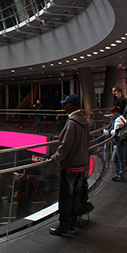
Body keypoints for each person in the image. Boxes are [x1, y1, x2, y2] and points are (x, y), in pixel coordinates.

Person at [49, 94, 89, 236]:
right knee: (75, 197)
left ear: (71, 105)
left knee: (66, 198)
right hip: (82, 164)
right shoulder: (84, 121)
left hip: (70, 165)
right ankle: (72, 224)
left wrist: (55, 157)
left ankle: (64, 226)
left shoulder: (72, 122)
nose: (64, 106)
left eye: (66, 104)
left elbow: (66, 146)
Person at [105, 105, 127, 181]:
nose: (112, 115)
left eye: (112, 113)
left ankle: (121, 175)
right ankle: (118, 174)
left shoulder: (117, 120)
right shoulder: (120, 117)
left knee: (120, 159)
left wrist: (111, 132)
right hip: (120, 141)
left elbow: (115, 131)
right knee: (115, 158)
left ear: (116, 112)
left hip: (119, 141)